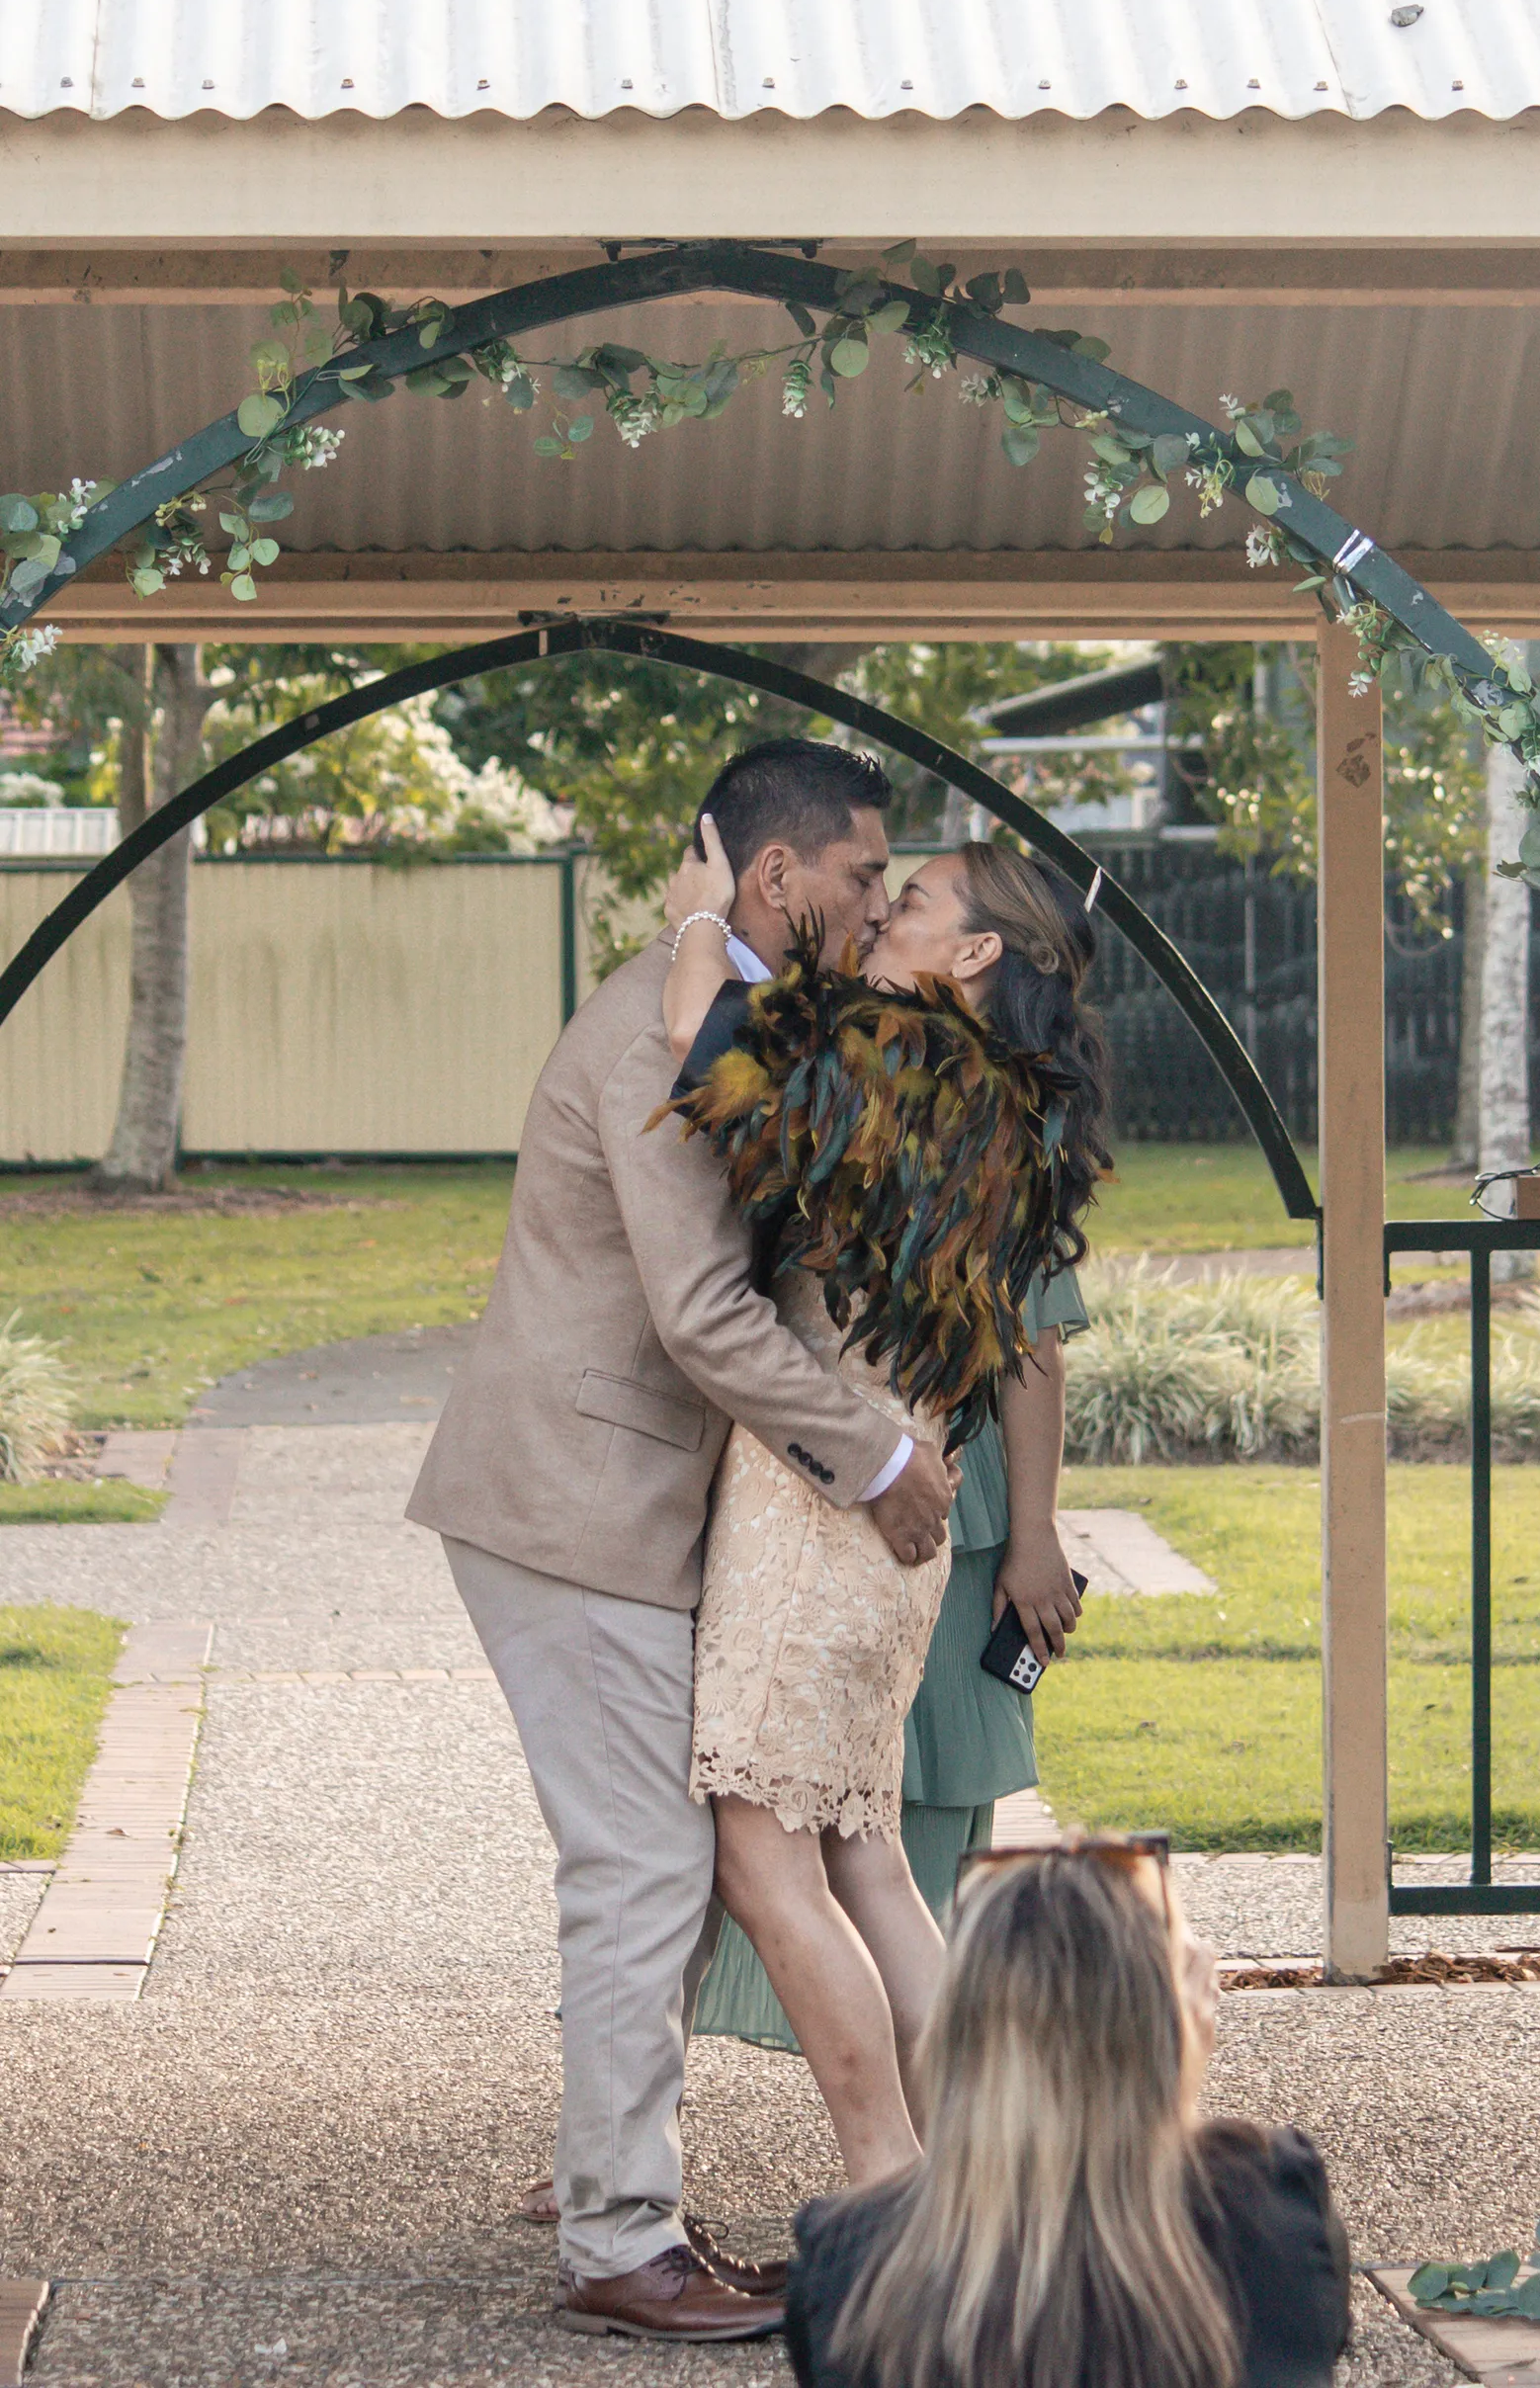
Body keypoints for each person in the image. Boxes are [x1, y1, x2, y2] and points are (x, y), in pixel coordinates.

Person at [406, 737, 957, 2344]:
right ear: (779, 873)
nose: (877, 903)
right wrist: (876, 1459)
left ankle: (617, 2199)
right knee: (647, 1867)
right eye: (862, 875)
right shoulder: (652, 1032)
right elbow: (705, 1314)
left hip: (622, 1503)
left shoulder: (732, 1016)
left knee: (665, 1871)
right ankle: (617, 2242)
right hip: (576, 1503)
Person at [658, 830, 1109, 2187]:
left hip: (815, 1508)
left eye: (909, 901)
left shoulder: (892, 1059)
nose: (881, 914)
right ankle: (976, 2170)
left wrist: (697, 919)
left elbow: (701, 1046)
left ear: (974, 949)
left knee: (765, 1860)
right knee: (865, 1858)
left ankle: (889, 2180)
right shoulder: (1003, 1101)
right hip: (901, 1507)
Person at [691, 1254, 1089, 2054]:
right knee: (847, 1850)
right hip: (820, 1495)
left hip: (909, 1508)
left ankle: (917, 2117)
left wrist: (1036, 1529)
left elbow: (1032, 1331)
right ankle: (948, 2117)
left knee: (877, 1831)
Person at [785, 1835, 1351, 2388]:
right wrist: (1178, 2068)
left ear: (956, 2030)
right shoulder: (1273, 2207)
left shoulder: (847, 2262)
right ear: (1163, 2026)